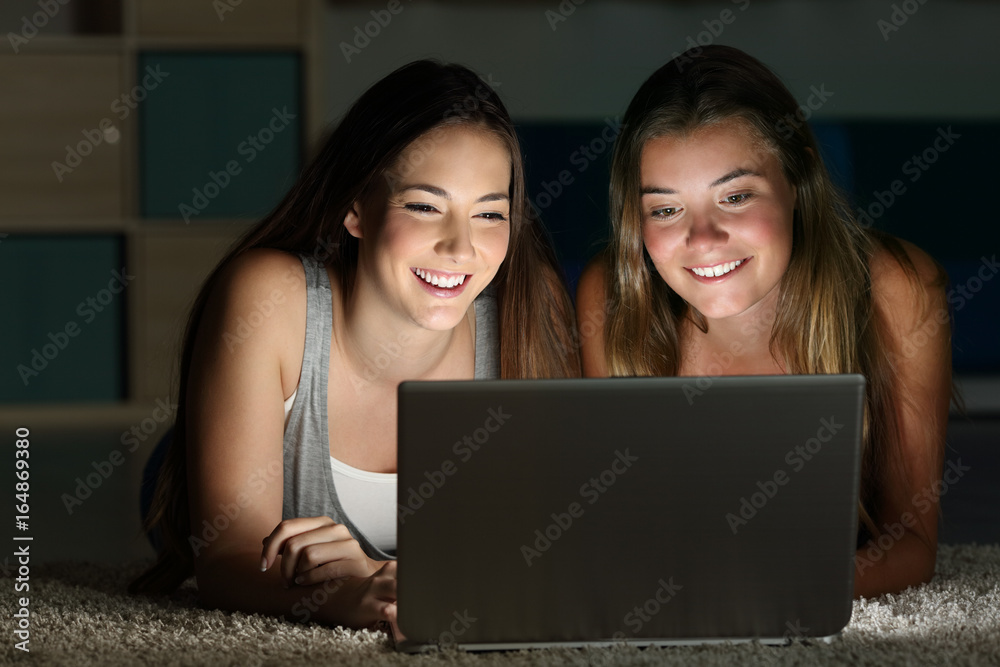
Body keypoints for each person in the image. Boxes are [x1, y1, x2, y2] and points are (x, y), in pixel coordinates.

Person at [130, 60, 580, 628]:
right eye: (424, 206)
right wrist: (340, 599)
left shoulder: (527, 311)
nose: (459, 247)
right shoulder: (267, 295)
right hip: (193, 472)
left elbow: (549, 549)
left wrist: (368, 571)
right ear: (355, 208)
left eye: (489, 214)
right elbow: (223, 561)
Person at [576, 45, 952, 599]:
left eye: (735, 196)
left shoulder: (896, 288)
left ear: (796, 180)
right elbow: (623, 535)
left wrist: (783, 585)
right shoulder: (613, 295)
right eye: (665, 209)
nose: (703, 239)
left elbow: (912, 542)